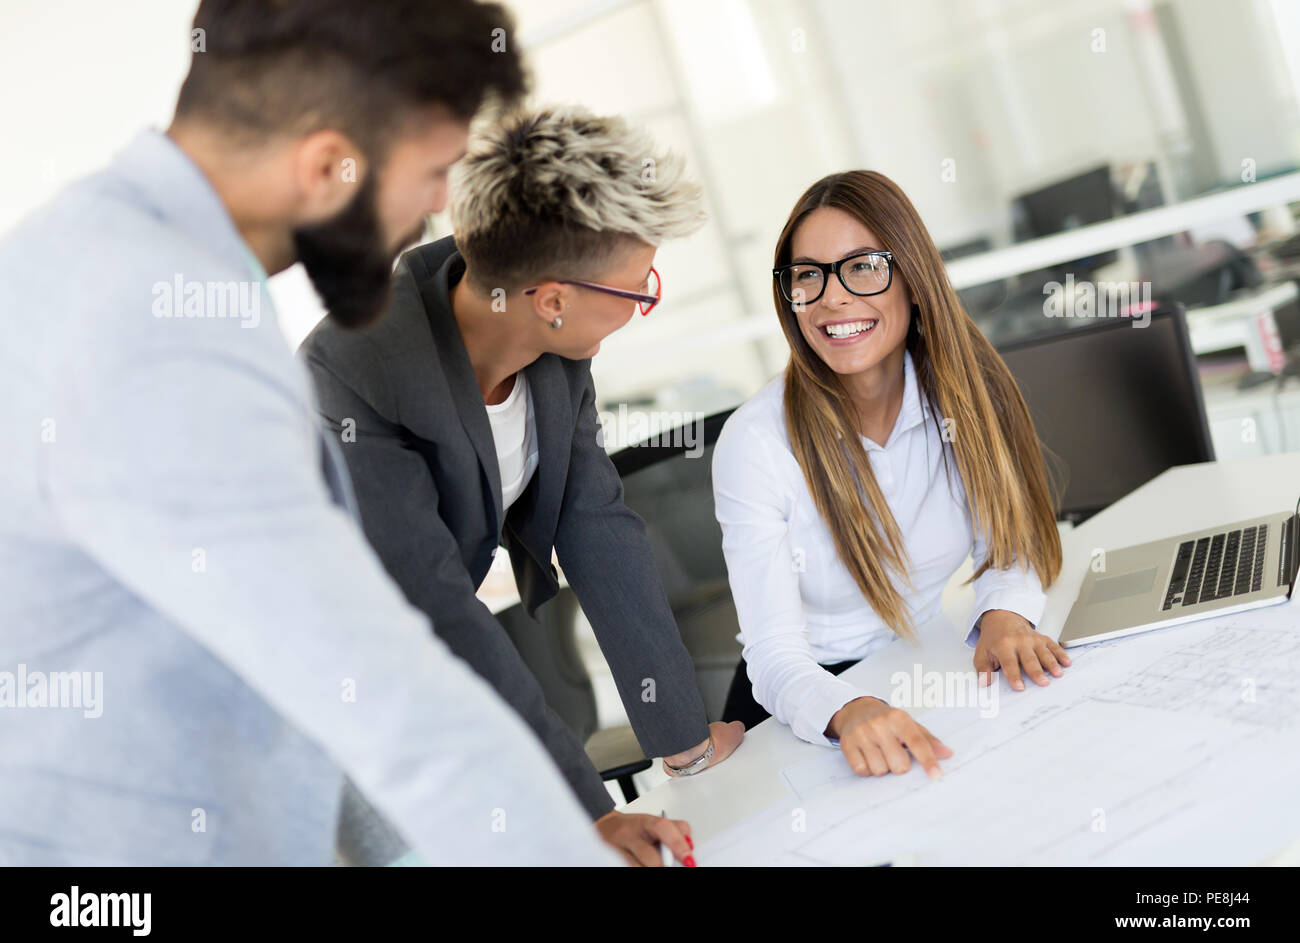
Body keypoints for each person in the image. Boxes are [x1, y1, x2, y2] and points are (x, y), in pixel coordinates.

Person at [0, 0, 621, 865]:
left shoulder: (98, 253)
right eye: (431, 170)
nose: (440, 204)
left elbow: (288, 672)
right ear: (331, 163)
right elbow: (380, 687)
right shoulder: (161, 327)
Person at [301, 106, 744, 866]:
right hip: (327, 696)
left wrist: (682, 740)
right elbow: (432, 601)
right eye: (639, 291)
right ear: (551, 299)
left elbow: (593, 520)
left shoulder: (554, 340)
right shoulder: (356, 367)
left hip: (429, 652)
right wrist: (589, 811)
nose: (643, 306)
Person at [712, 170, 1070, 780]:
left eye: (863, 266)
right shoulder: (757, 442)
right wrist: (849, 709)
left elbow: (1011, 541)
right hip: (811, 705)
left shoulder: (964, 392)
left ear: (912, 277)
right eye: (808, 275)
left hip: (925, 663)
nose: (833, 298)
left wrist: (1005, 614)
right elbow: (773, 655)